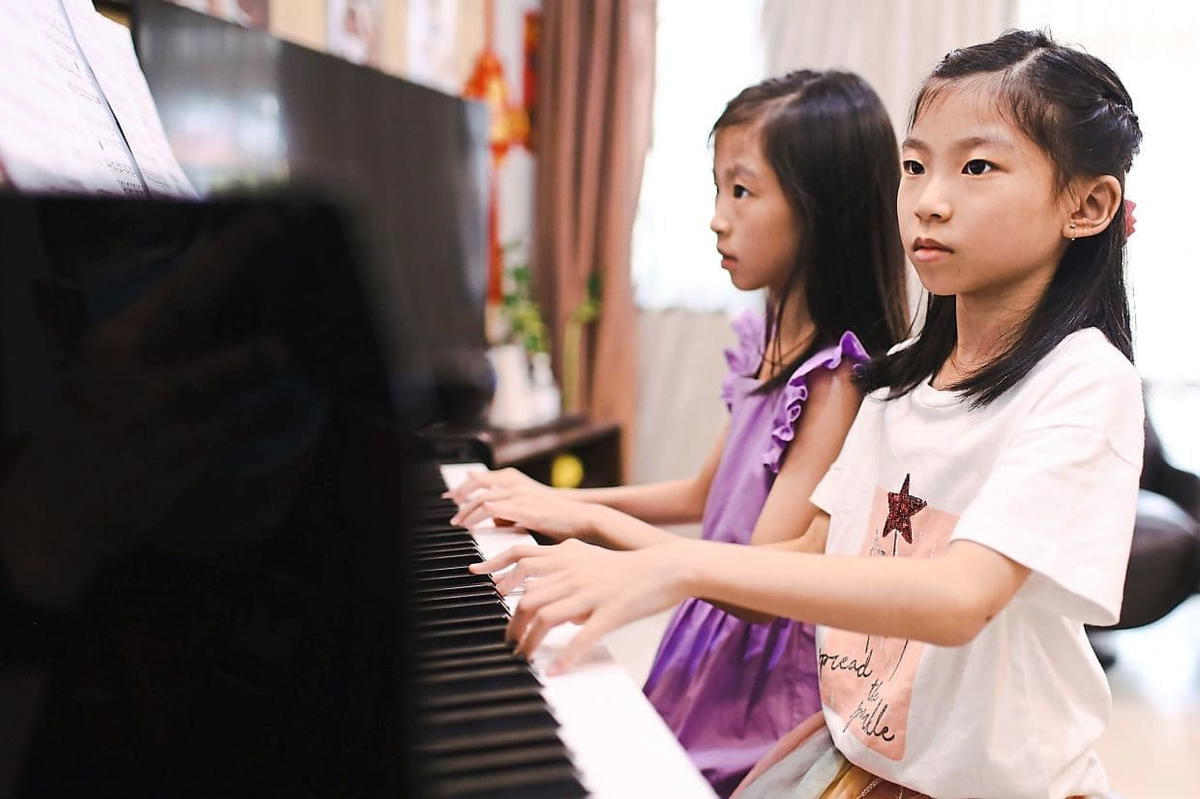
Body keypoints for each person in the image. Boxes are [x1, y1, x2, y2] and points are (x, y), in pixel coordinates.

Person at [472, 29, 1144, 799]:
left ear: (1087, 205)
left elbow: (962, 598)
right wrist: (619, 544)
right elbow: (812, 548)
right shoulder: (895, 382)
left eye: (977, 167)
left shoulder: (1084, 379)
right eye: (915, 166)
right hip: (861, 749)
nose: (928, 200)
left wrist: (674, 562)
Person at [448, 70, 910, 794]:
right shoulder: (767, 345)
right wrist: (556, 501)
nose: (717, 218)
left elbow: (758, 583)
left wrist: (592, 519)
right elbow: (704, 494)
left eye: (742, 190)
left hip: (760, 676)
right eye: (718, 188)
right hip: (710, 628)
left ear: (821, 207)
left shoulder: (835, 379)